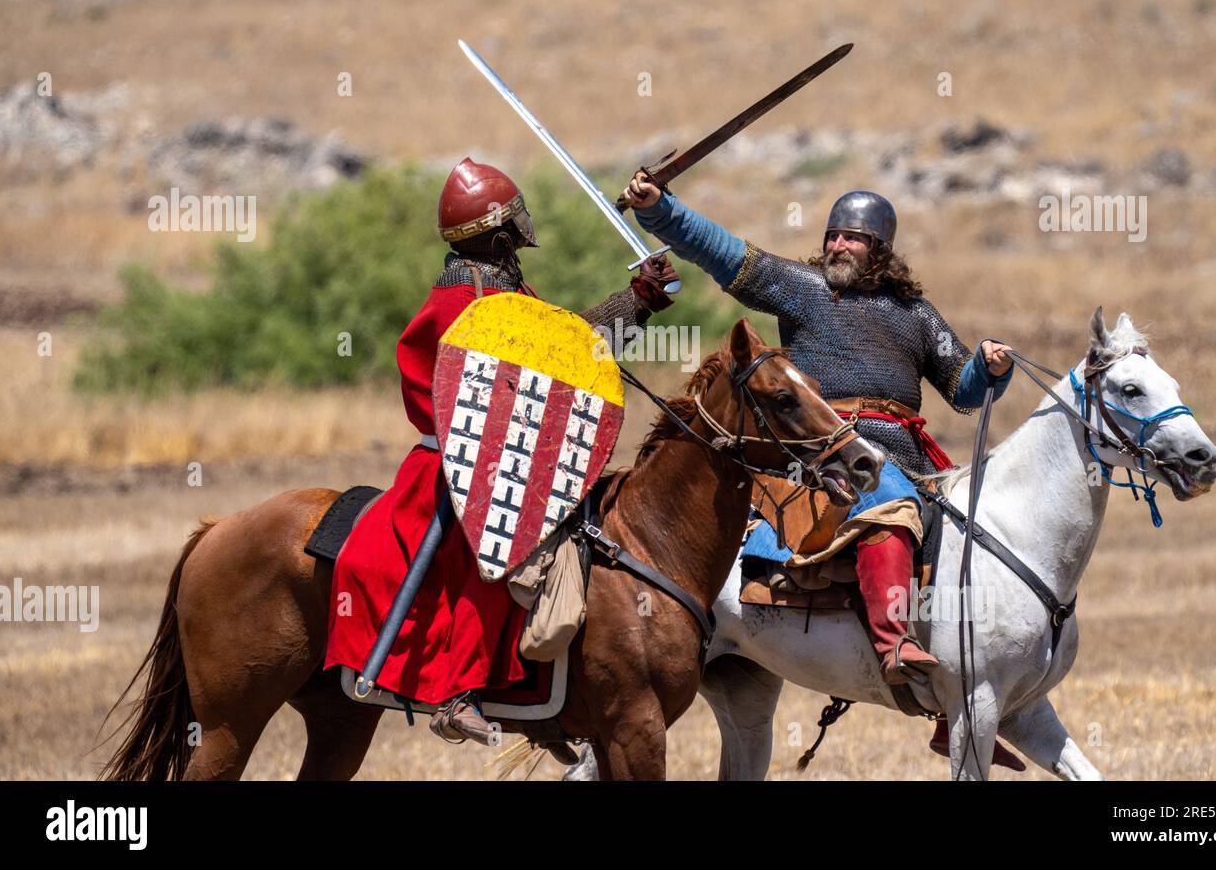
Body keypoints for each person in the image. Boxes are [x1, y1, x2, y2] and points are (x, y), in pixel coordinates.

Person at [326, 157, 677, 746]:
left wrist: (636, 303)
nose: (522, 230)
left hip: (506, 457)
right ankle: (458, 695)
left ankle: (549, 700)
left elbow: (567, 351)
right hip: (453, 466)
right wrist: (633, 302)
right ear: (497, 235)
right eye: (514, 222)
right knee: (492, 559)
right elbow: (535, 367)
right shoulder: (458, 304)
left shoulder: (503, 290)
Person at [620, 174, 1013, 687]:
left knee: (972, 533)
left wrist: (989, 368)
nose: (836, 245)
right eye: (832, 235)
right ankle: (893, 642)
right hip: (824, 452)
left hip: (904, 455)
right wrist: (660, 211)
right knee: (890, 502)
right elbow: (723, 252)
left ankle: (960, 683)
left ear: (880, 249)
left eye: (851, 237)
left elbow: (964, 390)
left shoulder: (916, 315)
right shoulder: (805, 291)